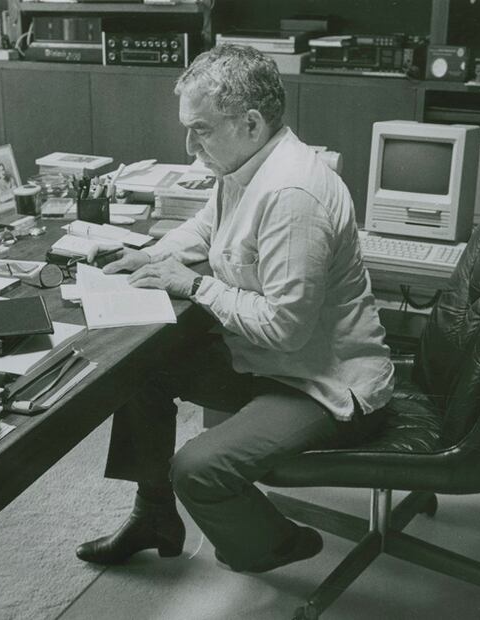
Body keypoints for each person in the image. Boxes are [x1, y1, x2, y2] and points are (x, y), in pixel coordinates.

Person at [76, 44, 394, 573]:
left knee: (196, 469)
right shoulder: (246, 162)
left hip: (323, 382)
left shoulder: (292, 192)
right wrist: (145, 257)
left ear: (250, 122)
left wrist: (195, 287)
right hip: (268, 362)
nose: (187, 143)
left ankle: (275, 544)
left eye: (200, 129)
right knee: (137, 370)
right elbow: (206, 228)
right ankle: (153, 514)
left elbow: (286, 329)